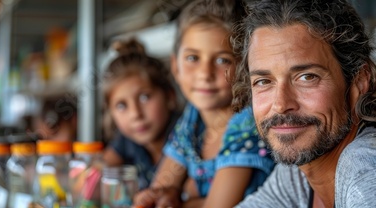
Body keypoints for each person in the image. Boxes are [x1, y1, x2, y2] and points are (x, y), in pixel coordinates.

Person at [231, 0, 376, 207]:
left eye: (307, 77)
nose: (281, 104)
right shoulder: (297, 176)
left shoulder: (371, 174)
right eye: (263, 81)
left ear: (358, 83)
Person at [133, 0, 275, 207]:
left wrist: (181, 200)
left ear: (244, 69)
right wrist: (160, 195)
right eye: (193, 58)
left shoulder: (247, 123)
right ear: (175, 66)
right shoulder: (194, 116)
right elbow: (160, 187)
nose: (204, 74)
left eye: (222, 60)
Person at [101, 38, 178, 190]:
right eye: (122, 105)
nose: (135, 114)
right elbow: (96, 172)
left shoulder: (185, 133)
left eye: (144, 97)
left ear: (169, 96)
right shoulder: (127, 141)